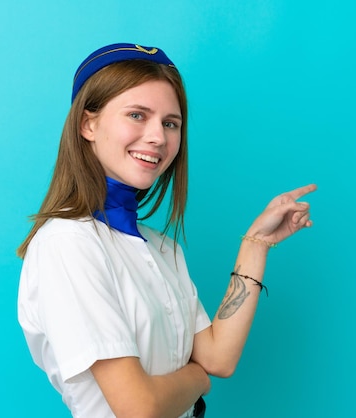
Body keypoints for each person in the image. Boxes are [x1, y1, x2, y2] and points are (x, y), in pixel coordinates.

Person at [17, 43, 316, 418]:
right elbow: (139, 409)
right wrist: (198, 379)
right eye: (137, 115)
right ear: (88, 124)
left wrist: (257, 244)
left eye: (170, 123)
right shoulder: (67, 243)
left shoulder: (162, 248)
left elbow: (218, 357)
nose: (158, 136)